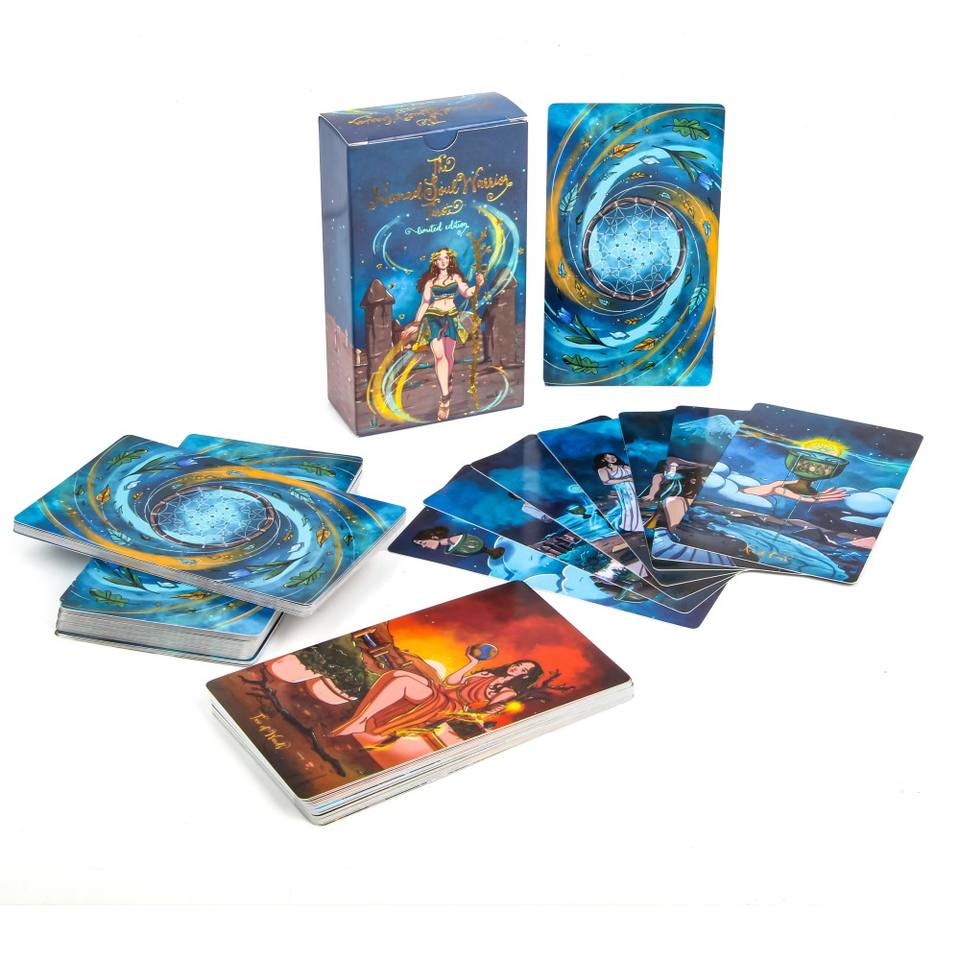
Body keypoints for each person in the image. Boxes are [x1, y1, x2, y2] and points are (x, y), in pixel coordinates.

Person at [331, 650, 543, 738]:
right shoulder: (488, 673)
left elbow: (481, 709)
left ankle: (360, 721)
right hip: (443, 692)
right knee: (396, 674)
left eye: (523, 669)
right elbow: (451, 682)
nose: (517, 668)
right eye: (518, 664)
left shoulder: (507, 691)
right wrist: (472, 663)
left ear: (525, 676)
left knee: (403, 681)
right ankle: (361, 718)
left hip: (448, 705)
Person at [400, 248, 484, 421]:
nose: (443, 261)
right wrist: (416, 323)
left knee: (449, 356)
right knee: (439, 356)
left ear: (450, 260)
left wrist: (478, 285)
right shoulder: (430, 282)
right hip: (433, 319)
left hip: (451, 318)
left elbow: (466, 293)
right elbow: (425, 303)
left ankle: (448, 378)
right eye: (439, 259)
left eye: (446, 258)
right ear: (435, 262)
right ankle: (445, 398)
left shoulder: (456, 277)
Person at [594, 452, 643, 532]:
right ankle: (631, 526)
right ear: (603, 460)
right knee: (629, 507)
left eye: (613, 456)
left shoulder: (623, 466)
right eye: (608, 458)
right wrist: (626, 479)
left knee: (636, 505)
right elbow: (606, 482)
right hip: (624, 490)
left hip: (632, 486)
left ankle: (639, 525)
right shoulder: (602, 469)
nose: (612, 459)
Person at [412, 525, 505, 560]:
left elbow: (476, 545)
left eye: (423, 543)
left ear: (433, 537)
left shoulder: (458, 539)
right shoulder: (449, 548)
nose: (424, 546)